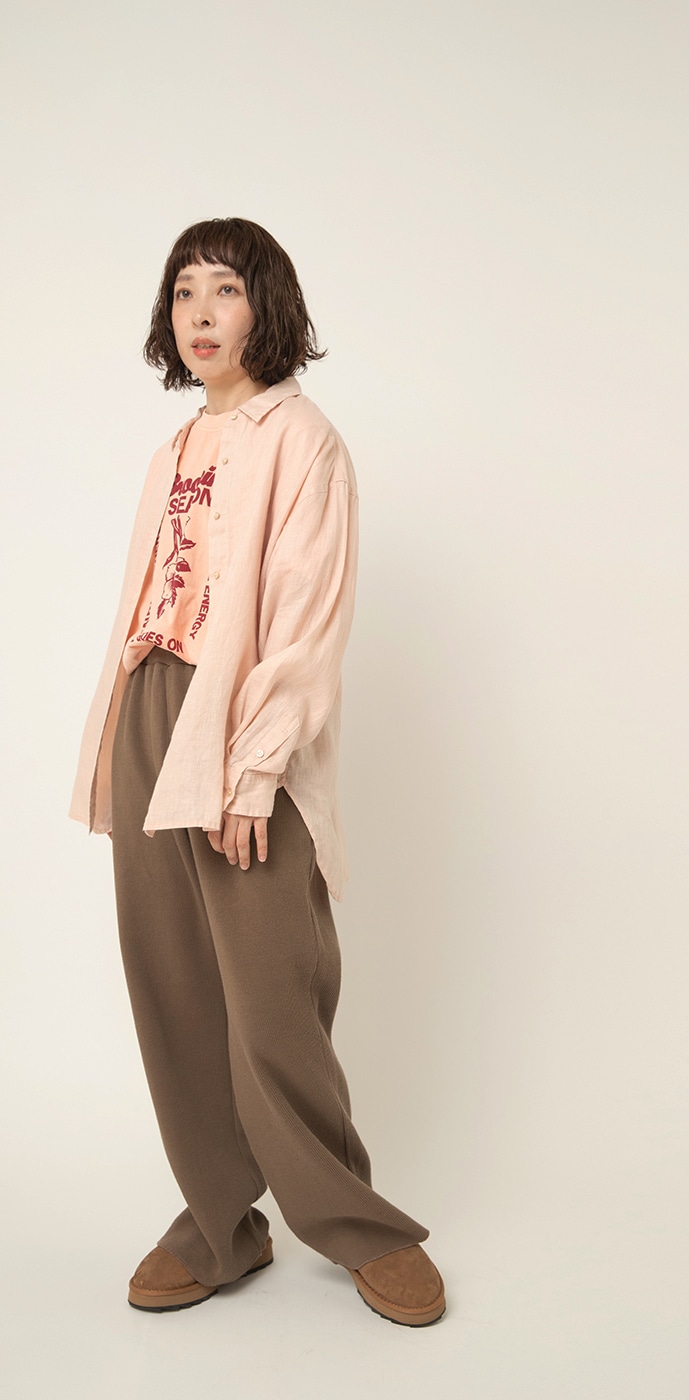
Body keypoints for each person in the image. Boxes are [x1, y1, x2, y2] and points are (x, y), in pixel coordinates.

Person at [70, 217, 446, 1326]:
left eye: (224, 289)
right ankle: (221, 1220)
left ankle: (356, 1222)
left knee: (273, 987)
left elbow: (303, 622)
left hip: (235, 724)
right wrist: (117, 739)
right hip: (150, 709)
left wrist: (253, 768)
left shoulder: (304, 440)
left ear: (264, 306)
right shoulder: (173, 450)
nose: (199, 312)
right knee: (174, 982)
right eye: (183, 290)